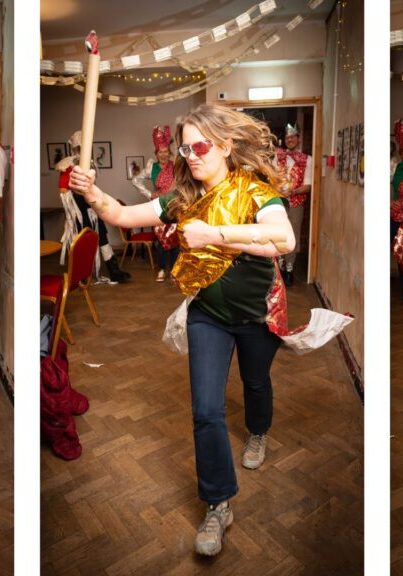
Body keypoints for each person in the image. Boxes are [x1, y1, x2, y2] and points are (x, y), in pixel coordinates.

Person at [69, 103, 296, 557]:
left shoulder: (256, 192)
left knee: (255, 382)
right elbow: (123, 215)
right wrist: (93, 195)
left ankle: (258, 430)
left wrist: (213, 236)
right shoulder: (183, 197)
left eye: (200, 145)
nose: (190, 154)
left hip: (256, 312)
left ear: (226, 146)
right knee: (206, 410)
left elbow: (284, 239)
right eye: (184, 146)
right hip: (208, 314)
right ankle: (217, 503)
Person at [56, 130, 130, 284]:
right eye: (80, 149)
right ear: (75, 149)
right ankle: (81, 275)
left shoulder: (90, 164)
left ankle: (114, 270)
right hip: (77, 213)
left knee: (102, 237)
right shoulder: (67, 165)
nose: (82, 152)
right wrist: (74, 196)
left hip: (92, 210)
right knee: (80, 242)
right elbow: (63, 190)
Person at [132, 125, 179, 282]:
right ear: (156, 153)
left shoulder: (175, 166)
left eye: (166, 151)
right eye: (160, 152)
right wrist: (149, 194)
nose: (163, 154)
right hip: (158, 206)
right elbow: (136, 180)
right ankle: (161, 269)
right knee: (161, 238)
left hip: (174, 205)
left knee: (174, 238)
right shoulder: (151, 168)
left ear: (169, 152)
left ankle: (173, 270)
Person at [275, 123, 312, 287]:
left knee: (293, 235)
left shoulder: (307, 160)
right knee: (278, 234)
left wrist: (294, 192)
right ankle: (280, 267)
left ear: (298, 138)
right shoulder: (277, 157)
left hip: (296, 203)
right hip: (278, 202)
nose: (290, 140)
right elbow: (271, 178)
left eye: (293, 137)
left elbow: (308, 186)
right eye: (287, 137)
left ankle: (289, 269)